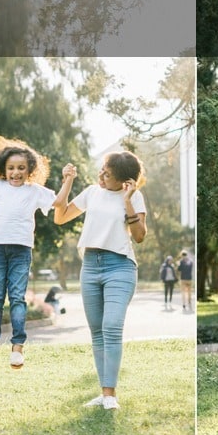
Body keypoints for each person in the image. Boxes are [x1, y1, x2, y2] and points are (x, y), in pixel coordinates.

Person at [54, 151, 147, 411]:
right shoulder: (92, 192)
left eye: (108, 174)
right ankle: (105, 393)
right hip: (90, 266)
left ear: (125, 181)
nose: (102, 176)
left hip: (120, 266)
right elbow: (59, 217)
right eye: (102, 171)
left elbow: (139, 236)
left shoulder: (135, 196)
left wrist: (127, 201)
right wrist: (68, 181)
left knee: (112, 326)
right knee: (97, 333)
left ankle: (110, 396)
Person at [0, 136, 72, 369]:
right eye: (11, 168)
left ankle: (17, 348)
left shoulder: (34, 191)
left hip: (21, 250)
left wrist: (68, 179)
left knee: (17, 298)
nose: (16, 173)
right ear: (3, 169)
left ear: (30, 170)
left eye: (21, 168)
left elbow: (58, 202)